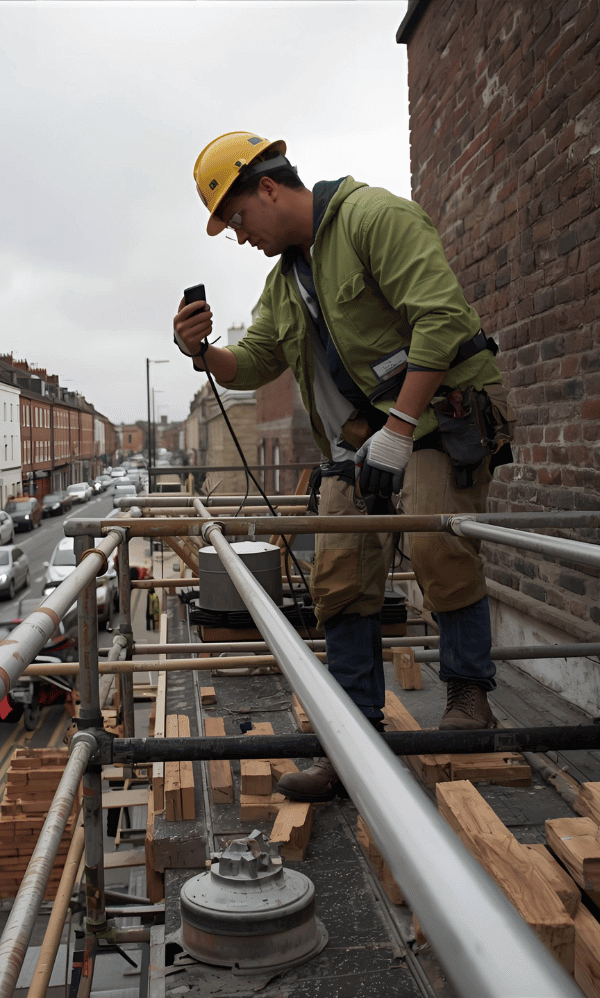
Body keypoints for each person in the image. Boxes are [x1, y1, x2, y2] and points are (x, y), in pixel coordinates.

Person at [173, 132, 514, 802]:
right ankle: (354, 738)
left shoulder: (373, 218)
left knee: (435, 539)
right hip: (365, 440)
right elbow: (256, 362)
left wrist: (399, 427)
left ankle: (469, 697)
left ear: (268, 187)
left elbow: (441, 320)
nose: (239, 237)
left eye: (238, 219)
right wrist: (201, 352)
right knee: (338, 576)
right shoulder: (284, 282)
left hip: (440, 415)